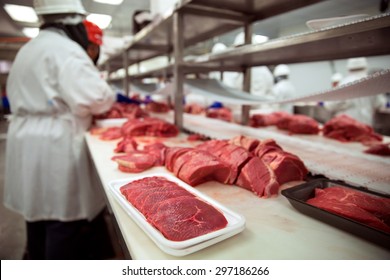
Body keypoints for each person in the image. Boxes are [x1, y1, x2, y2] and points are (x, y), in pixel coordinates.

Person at [3, 0, 116, 260]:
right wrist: (108, 98)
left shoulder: (30, 47)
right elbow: (96, 98)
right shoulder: (65, 50)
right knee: (63, 218)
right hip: (55, 142)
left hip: (27, 137)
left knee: (38, 214)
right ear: (72, 21)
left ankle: (33, 258)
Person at [325, 57, 384, 125]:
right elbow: (379, 104)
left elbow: (330, 106)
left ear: (348, 68)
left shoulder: (344, 83)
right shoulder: (373, 83)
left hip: (346, 127)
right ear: (365, 66)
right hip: (365, 127)